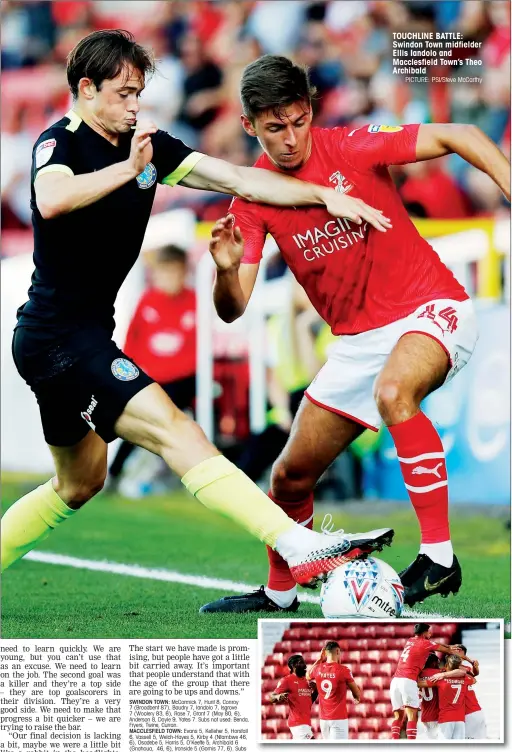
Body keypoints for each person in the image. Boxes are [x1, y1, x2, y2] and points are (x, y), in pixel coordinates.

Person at [1, 30, 396, 586]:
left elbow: (237, 178)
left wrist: (322, 194)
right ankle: (297, 541)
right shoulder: (60, 143)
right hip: (58, 337)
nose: (134, 104)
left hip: (73, 336)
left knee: (79, 484)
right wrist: (130, 168)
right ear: (86, 89)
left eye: (139, 92)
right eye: (122, 92)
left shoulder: (149, 147)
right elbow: (53, 197)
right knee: (175, 429)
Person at [199, 53, 511, 615]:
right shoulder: (252, 199)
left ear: (310, 108)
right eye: (275, 128)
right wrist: (225, 268)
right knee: (290, 476)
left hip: (431, 307)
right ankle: (280, 591)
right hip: (359, 343)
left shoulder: (353, 146)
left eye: (299, 121)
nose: (292, 139)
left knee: (395, 392)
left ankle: (439, 557)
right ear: (249, 126)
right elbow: (232, 309)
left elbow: (463, 133)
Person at [107, 243, 197, 492]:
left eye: (174, 272)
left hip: (181, 382)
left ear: (184, 272)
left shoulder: (194, 302)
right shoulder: (147, 301)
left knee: (170, 421)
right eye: (163, 273)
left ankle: (173, 473)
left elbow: (196, 350)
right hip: (148, 378)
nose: (169, 279)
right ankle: (114, 474)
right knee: (134, 424)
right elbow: (133, 341)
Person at [389, 623, 474, 741]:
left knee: (398, 716)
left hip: (395, 681)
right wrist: (466, 658)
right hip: (408, 681)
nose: (431, 633)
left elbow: (440, 645)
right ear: (424, 633)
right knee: (412, 715)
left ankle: (394, 741)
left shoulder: (410, 640)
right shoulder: (428, 650)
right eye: (429, 632)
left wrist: (450, 646)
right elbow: (447, 650)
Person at [306, 641, 361, 740]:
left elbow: (307, 675)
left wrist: (319, 660)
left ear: (325, 653)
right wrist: (357, 697)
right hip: (338, 719)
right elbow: (356, 692)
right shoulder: (344, 670)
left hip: (323, 720)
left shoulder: (317, 669)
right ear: (337, 651)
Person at [419, 654, 476, 740]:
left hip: (445, 718)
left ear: (446, 665)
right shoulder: (464, 678)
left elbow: (420, 684)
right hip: (460, 718)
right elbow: (474, 680)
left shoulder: (440, 679)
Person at [269, 654, 317, 741]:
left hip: (306, 723)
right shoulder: (287, 680)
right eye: (301, 663)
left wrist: (316, 690)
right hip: (298, 723)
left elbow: (309, 701)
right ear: (294, 666)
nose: (305, 665)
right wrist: (279, 696)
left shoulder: (307, 681)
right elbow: (272, 697)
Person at [452, 644, 487, 740]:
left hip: (469, 711)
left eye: (461, 654)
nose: (458, 655)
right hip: (470, 710)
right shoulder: (450, 669)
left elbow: (475, 675)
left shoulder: (464, 669)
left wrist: (474, 665)